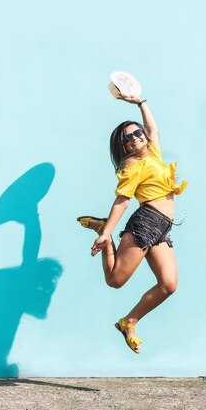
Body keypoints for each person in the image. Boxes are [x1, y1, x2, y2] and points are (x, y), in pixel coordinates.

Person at [77, 94, 187, 354]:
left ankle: (129, 321)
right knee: (115, 280)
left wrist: (141, 102)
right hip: (146, 223)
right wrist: (107, 232)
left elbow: (154, 130)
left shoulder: (153, 154)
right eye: (128, 137)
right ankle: (105, 233)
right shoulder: (133, 164)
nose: (136, 137)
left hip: (162, 227)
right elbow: (123, 199)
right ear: (124, 146)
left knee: (168, 285)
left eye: (137, 132)